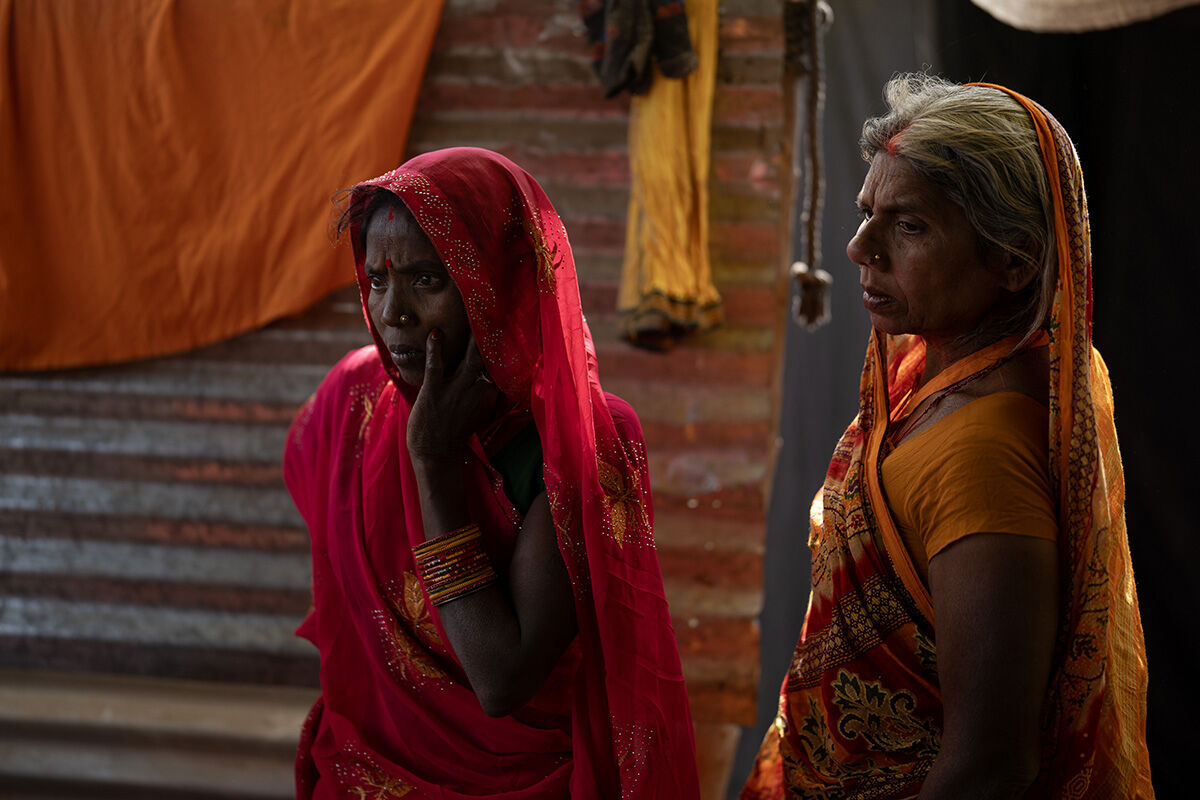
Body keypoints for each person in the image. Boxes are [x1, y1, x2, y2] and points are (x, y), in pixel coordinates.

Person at [741, 75, 1153, 799]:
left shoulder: (981, 454)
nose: (858, 246)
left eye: (909, 225)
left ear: (1016, 259)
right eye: (868, 212)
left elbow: (988, 768)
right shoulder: (930, 389)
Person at [283, 147, 701, 798]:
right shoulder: (353, 400)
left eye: (426, 281)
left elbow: (502, 677)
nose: (393, 312)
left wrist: (434, 462)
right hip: (365, 770)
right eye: (377, 280)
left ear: (498, 281)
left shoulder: (579, 439)